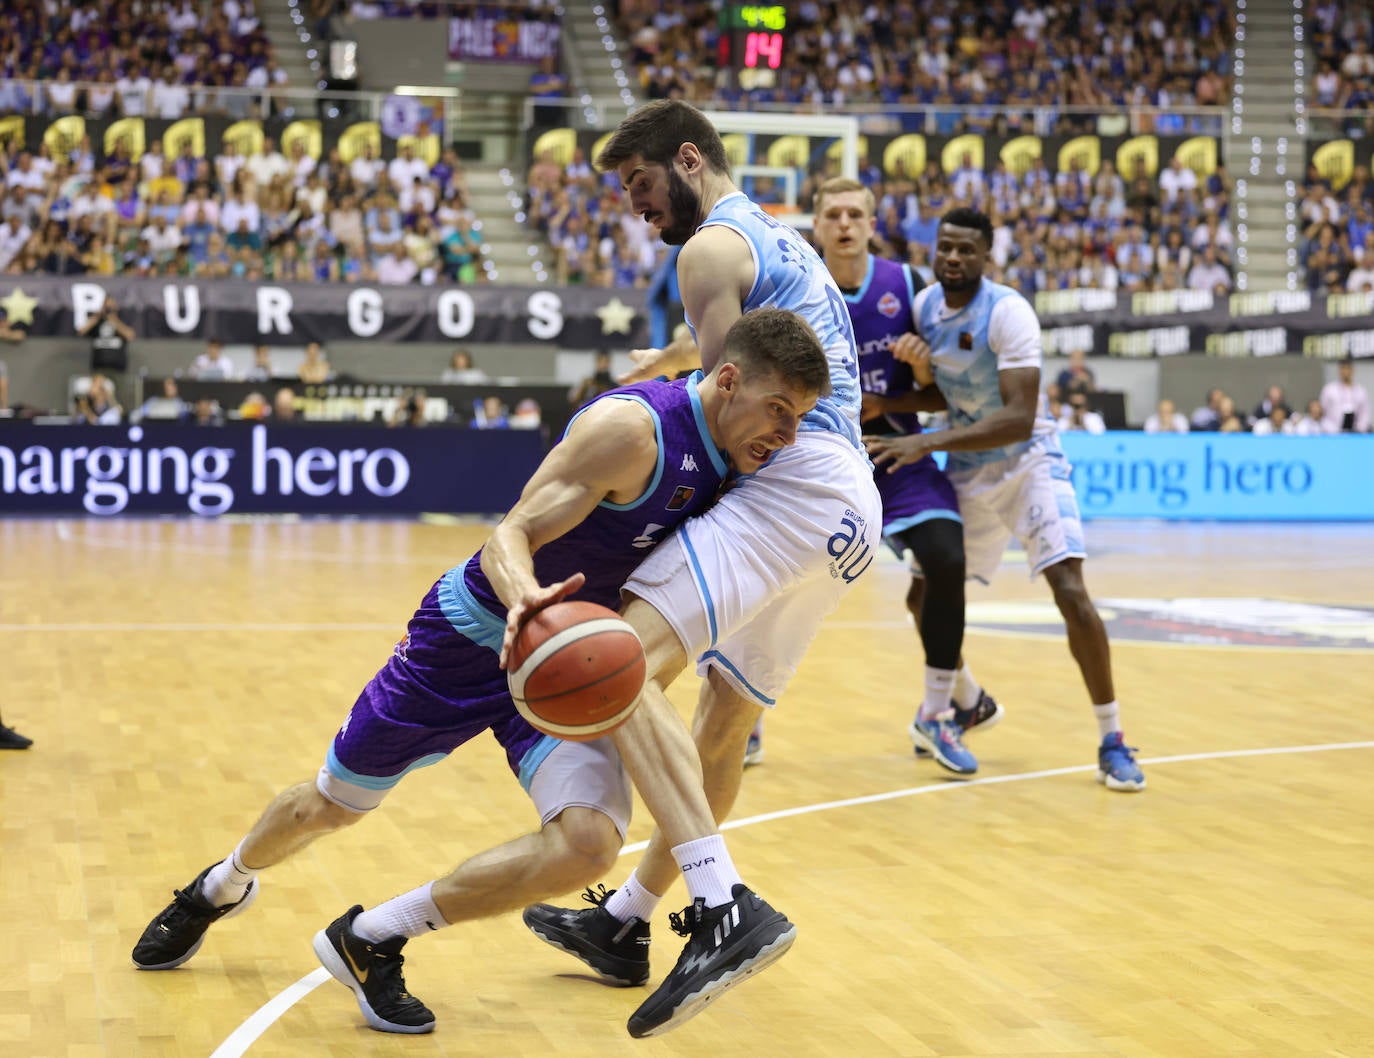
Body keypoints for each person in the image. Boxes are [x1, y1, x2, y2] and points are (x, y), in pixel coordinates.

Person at [130, 310, 829, 1038]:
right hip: (468, 639)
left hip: (567, 664)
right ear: (727, 381)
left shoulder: (748, 461)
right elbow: (510, 533)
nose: (787, 435)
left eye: (800, 419)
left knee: (589, 844)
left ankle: (374, 937)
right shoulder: (634, 430)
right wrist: (525, 595)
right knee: (329, 806)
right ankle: (219, 885)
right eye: (778, 411)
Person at [521, 100, 885, 1002]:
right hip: (849, 510)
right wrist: (674, 354)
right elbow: (728, 362)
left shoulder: (706, 251)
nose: (639, 208)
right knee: (727, 716)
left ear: (688, 158)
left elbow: (718, 421)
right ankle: (626, 922)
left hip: (793, 484)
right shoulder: (773, 236)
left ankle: (723, 905)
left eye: (642, 185)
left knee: (615, 667)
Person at [863, 206, 1146, 793]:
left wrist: (925, 441)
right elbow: (944, 393)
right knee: (925, 593)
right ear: (934, 250)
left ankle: (1112, 738)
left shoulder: (1008, 311)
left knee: (1070, 590)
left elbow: (1017, 418)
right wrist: (889, 408)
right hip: (970, 467)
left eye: (967, 249)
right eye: (946, 247)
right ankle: (962, 699)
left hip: (1030, 461)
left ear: (986, 255)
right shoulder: (925, 310)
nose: (954, 258)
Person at [803, 176, 1002, 775]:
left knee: (945, 557)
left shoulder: (910, 286)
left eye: (854, 214)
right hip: (817, 462)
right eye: (832, 214)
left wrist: (916, 379)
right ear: (816, 226)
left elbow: (942, 395)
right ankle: (744, 717)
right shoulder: (795, 287)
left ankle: (940, 712)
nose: (843, 224)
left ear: (871, 223)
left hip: (893, 454)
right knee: (769, 580)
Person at [80, 296, 135, 374]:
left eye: (111, 307)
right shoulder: (98, 322)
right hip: (99, 369)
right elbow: (81, 331)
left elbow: (130, 335)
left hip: (118, 369)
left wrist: (113, 319)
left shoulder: (120, 320)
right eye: (106, 307)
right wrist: (97, 316)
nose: (108, 309)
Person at [1320, 357, 1370, 433]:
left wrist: (1359, 430)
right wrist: (1332, 430)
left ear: (1352, 371)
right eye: (1343, 368)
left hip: (1355, 434)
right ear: (1339, 371)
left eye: (1348, 368)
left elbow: (1364, 414)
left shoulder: (1360, 391)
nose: (1345, 372)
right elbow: (1322, 413)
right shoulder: (1329, 390)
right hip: (1333, 434)